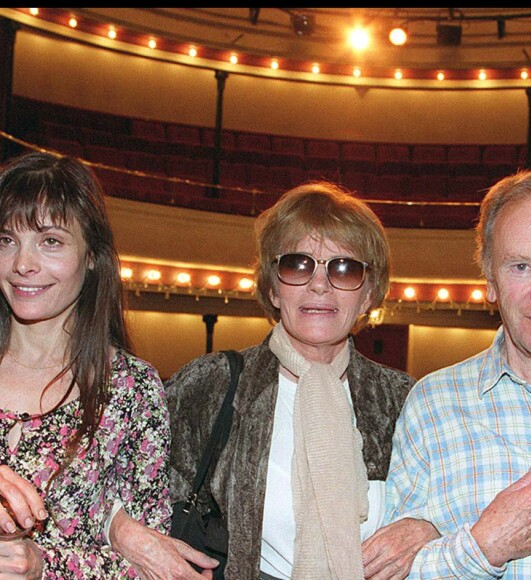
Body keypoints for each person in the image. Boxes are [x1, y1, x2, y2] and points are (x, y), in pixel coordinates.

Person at [155, 181, 439, 580]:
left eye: (344, 267)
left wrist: (429, 529)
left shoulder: (405, 399)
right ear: (272, 287)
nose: (318, 284)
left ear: (369, 293)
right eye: (297, 264)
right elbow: (135, 494)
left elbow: (452, 505)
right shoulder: (211, 385)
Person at [0, 151, 215, 578]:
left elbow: (149, 564)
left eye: (51, 241)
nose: (23, 264)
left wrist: (47, 567)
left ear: (93, 256)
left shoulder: (131, 389)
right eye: (5, 240)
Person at [369, 169, 531, 578]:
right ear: (490, 280)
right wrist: (485, 548)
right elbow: (391, 572)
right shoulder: (434, 405)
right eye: (521, 266)